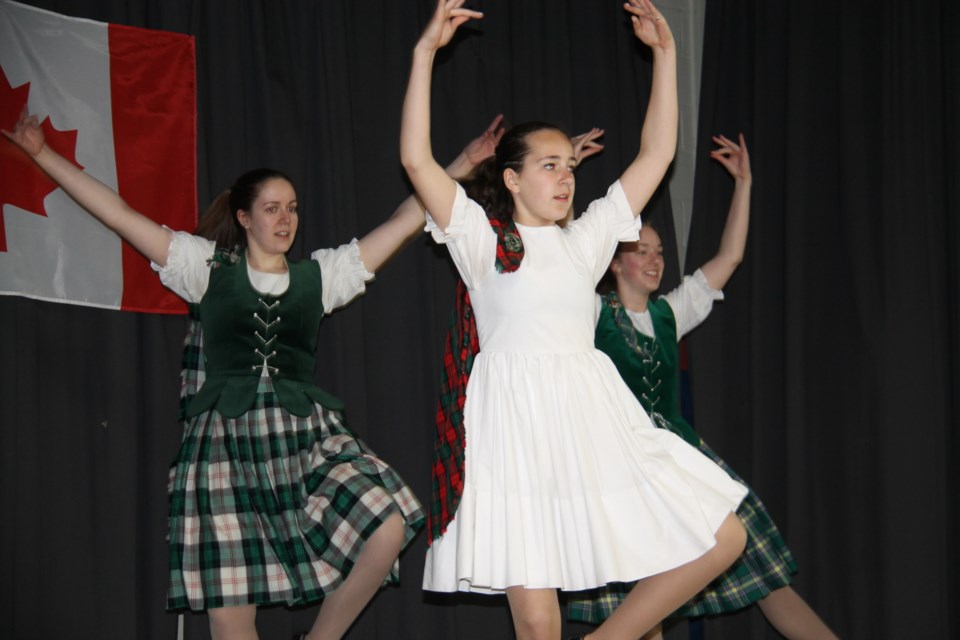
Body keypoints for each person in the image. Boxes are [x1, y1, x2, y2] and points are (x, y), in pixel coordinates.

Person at [1, 108, 499, 640]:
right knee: (232, 617)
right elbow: (121, 215)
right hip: (225, 448)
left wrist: (462, 163)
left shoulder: (320, 277)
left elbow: (403, 222)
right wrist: (43, 155)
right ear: (244, 217)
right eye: (270, 209)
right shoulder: (204, 268)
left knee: (390, 523)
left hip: (304, 438)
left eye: (292, 209)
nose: (285, 220)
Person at [400, 2, 750, 639]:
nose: (565, 177)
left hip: (590, 421)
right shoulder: (483, 242)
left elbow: (657, 151)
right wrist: (426, 53)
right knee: (537, 622)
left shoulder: (586, 241)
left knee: (722, 536)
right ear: (510, 179)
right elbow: (418, 163)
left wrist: (666, 55)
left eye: (568, 165)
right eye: (548, 166)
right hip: (513, 432)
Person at [569, 134, 839, 639]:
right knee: (644, 602)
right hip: (626, 465)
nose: (653, 260)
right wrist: (570, 182)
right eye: (640, 251)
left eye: (659, 252)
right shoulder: (590, 314)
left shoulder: (669, 313)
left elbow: (729, 258)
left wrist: (745, 185)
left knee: (769, 580)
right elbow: (561, 266)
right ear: (613, 262)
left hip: (682, 461)